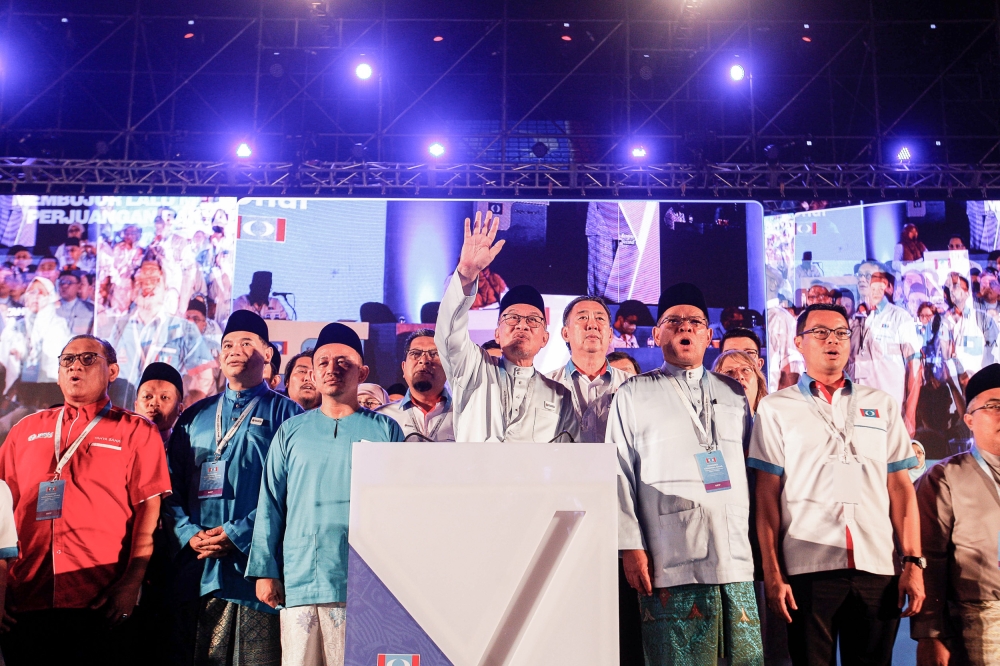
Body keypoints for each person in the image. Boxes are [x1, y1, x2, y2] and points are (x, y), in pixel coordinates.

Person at [749, 303, 925, 666]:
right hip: (807, 569)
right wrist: (772, 572)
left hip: (878, 567)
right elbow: (766, 496)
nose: (833, 340)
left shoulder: (882, 404)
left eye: (841, 333)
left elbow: (900, 489)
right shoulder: (776, 408)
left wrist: (913, 561)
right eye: (821, 332)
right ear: (799, 343)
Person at [610, 281, 763, 666]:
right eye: (673, 321)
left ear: (709, 336)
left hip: (734, 555)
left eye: (695, 322)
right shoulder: (633, 393)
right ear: (656, 334)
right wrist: (630, 545)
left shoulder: (733, 393)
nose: (685, 327)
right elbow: (618, 472)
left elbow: (750, 468)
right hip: (670, 557)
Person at [0, 335, 171, 665]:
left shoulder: (136, 430)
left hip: (100, 598)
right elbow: (1, 514)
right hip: (26, 597)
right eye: (68, 360)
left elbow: (149, 511)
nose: (75, 366)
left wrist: (131, 584)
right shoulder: (25, 430)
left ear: (113, 371)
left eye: (88, 358)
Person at [248, 323, 404, 666]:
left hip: (364, 581)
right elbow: (270, 503)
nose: (333, 369)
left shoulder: (385, 430)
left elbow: (397, 509)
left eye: (344, 362)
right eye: (324, 362)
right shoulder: (291, 432)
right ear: (314, 374)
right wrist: (265, 570)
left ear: (362, 372)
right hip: (300, 575)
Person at [163, 310, 303, 666]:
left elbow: (294, 491)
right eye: (227, 344)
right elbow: (169, 485)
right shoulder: (194, 416)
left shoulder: (288, 415)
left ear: (267, 353)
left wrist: (239, 533)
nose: (234, 350)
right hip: (199, 567)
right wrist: (188, 534)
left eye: (245, 342)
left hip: (255, 574)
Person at [435, 210, 578, 443]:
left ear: (545, 338)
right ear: (497, 334)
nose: (522, 325)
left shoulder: (559, 395)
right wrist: (467, 274)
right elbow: (449, 334)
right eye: (512, 318)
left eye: (533, 320)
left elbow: (569, 454)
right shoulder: (473, 370)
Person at [912, 364, 1000, 665]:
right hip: (979, 619)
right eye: (994, 406)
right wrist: (930, 634)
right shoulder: (945, 476)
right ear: (969, 419)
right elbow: (928, 559)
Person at [108, 257, 216, 408]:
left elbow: (203, 376)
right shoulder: (120, 326)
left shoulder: (184, 329)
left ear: (166, 287)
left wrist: (184, 411)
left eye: (154, 280)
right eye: (142, 280)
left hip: (160, 420)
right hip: (122, 417)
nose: (148, 285)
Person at [546, 296, 630, 443]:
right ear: (565, 333)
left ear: (610, 335)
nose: (592, 325)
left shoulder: (630, 385)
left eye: (600, 318)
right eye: (582, 317)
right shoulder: (545, 385)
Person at [849, 269, 923, 436]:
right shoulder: (856, 320)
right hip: (859, 409)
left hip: (889, 409)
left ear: (889, 287)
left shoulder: (900, 317)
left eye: (876, 281)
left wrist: (910, 415)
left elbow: (916, 367)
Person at [376, 329, 455, 441]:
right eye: (415, 353)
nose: (424, 360)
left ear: (448, 369)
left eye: (434, 354)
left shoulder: (466, 416)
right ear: (404, 368)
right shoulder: (382, 417)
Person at [940, 273, 1000, 388]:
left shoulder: (983, 319)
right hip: (949, 390)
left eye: (960, 288)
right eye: (952, 288)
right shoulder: (939, 322)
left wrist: (982, 378)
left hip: (980, 387)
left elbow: (995, 353)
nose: (956, 292)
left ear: (967, 293)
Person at [134, 361, 185, 446]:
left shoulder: (187, 449)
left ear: (180, 408)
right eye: (147, 396)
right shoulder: (119, 443)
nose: (154, 403)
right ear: (136, 405)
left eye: (164, 397)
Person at [714, 349, 768, 415]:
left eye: (745, 370)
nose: (739, 376)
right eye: (729, 372)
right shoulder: (708, 420)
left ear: (758, 379)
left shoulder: (772, 418)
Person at [55, 269, 95, 335]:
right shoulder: (51, 308)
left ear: (78, 286)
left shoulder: (90, 309)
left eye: (69, 282)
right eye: (62, 282)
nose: (64, 286)